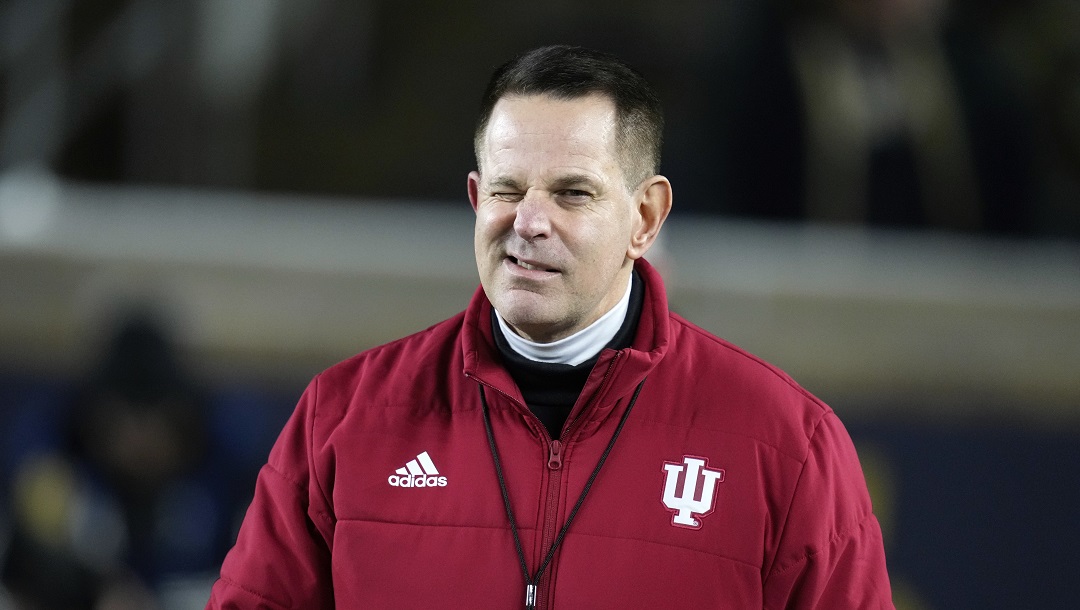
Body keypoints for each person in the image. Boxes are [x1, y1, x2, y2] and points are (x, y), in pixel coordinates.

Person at [207, 45, 893, 608]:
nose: (528, 222)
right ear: (477, 199)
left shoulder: (785, 444)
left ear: (645, 219)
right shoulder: (345, 418)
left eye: (573, 193)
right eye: (507, 190)